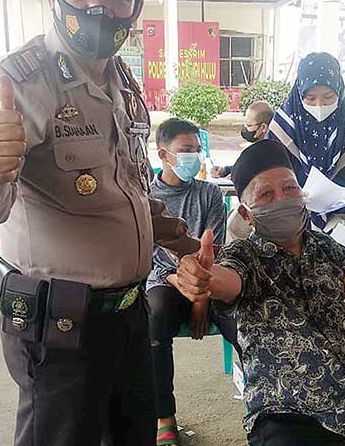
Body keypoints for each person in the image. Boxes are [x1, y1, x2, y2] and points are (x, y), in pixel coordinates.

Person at [0, 0, 199, 446]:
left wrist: (185, 244)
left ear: (135, 6)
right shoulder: (17, 81)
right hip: (60, 329)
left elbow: (129, 192)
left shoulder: (123, 83)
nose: (99, 6)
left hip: (129, 317)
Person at [175, 139, 345, 446]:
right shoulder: (244, 255)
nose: (283, 199)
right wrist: (205, 279)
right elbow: (228, 280)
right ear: (246, 215)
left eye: (290, 188)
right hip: (284, 414)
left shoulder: (330, 249)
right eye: (266, 194)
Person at [145, 117, 238, 445]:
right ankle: (164, 415)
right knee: (154, 317)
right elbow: (151, 256)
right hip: (165, 280)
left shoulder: (209, 193)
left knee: (247, 319)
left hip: (210, 281)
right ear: (163, 154)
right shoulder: (145, 197)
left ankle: (270, 403)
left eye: (197, 150)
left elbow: (214, 250)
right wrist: (182, 282)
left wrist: (201, 300)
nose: (194, 158)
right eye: (186, 150)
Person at [267, 52, 345, 189]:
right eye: (310, 98)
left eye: (328, 96)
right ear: (299, 93)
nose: (319, 105)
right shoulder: (282, 126)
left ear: (339, 90)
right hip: (291, 202)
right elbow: (266, 175)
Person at [210, 100, 273, 178]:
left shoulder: (269, 153)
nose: (245, 129)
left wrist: (236, 177)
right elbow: (245, 167)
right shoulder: (258, 147)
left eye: (249, 126)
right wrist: (225, 170)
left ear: (263, 127)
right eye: (245, 124)